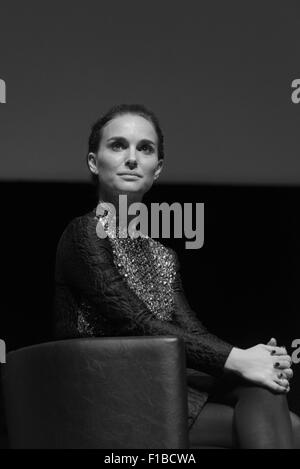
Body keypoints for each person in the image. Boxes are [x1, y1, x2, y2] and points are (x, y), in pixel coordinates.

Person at [53, 103, 300, 449]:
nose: (132, 158)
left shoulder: (162, 255)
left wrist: (258, 362)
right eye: (118, 145)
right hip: (104, 394)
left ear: (157, 169)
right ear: (94, 162)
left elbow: (191, 333)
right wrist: (241, 359)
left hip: (161, 386)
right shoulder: (84, 234)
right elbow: (137, 322)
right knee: (281, 422)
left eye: (145, 148)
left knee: (267, 390)